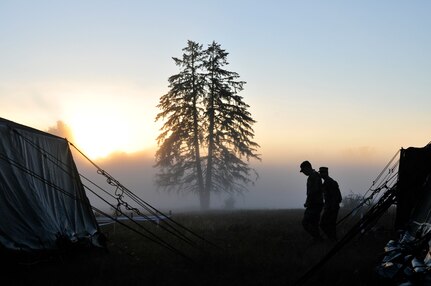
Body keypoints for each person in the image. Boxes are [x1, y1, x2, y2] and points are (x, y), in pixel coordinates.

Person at [300, 160, 324, 241]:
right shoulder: (313, 176)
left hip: (314, 204)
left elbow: (313, 191)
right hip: (316, 203)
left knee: (305, 222)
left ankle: (318, 238)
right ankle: (317, 239)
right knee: (314, 223)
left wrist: (308, 202)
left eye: (303, 170)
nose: (303, 173)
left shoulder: (314, 176)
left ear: (307, 168)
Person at [319, 166, 342, 241]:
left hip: (332, 208)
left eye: (322, 172)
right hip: (329, 208)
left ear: (326, 173)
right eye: (320, 173)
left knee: (327, 224)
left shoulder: (331, 182)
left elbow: (338, 197)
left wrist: (332, 207)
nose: (321, 174)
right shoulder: (325, 183)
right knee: (328, 225)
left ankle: (332, 239)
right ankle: (332, 239)